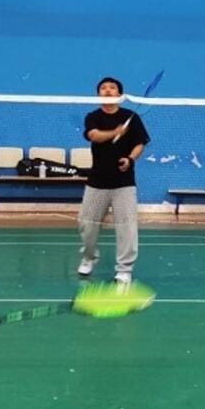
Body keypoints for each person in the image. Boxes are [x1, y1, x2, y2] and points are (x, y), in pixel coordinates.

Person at [77, 77, 150, 285]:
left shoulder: (131, 117)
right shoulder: (93, 117)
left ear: (120, 94)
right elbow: (94, 136)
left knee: (127, 227)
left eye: (112, 88)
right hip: (97, 181)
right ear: (98, 94)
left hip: (124, 182)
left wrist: (130, 159)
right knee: (87, 225)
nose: (108, 90)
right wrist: (115, 132)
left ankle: (124, 269)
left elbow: (140, 143)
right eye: (103, 88)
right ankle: (89, 257)